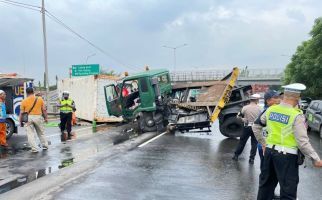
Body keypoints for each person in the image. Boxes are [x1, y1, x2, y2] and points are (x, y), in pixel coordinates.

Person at [252, 83, 322, 200]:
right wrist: (315, 159)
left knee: (265, 188)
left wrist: (263, 143)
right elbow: (302, 142)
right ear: (297, 98)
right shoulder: (296, 115)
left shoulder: (271, 110)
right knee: (288, 193)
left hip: (269, 153)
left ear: (284, 96)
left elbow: (256, 126)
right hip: (287, 157)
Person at [232, 93, 261, 164]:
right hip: (256, 128)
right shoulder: (260, 108)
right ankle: (252, 159)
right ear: (256, 100)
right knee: (254, 144)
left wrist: (243, 119)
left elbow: (238, 116)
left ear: (250, 100)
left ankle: (236, 155)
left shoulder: (245, 108)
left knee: (242, 142)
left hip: (247, 127)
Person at [256, 90, 281, 170]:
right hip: (266, 147)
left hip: (271, 147)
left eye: (279, 97)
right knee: (265, 171)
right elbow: (255, 128)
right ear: (268, 101)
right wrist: (263, 144)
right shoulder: (267, 112)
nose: (279, 100)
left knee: (268, 171)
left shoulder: (273, 111)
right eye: (276, 98)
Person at [20, 87, 48, 153]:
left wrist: (20, 121)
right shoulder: (40, 99)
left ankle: (34, 149)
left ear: (26, 93)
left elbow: (21, 113)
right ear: (33, 91)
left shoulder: (24, 101)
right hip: (38, 117)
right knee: (41, 132)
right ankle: (45, 146)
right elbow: (44, 110)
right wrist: (46, 118)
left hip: (28, 118)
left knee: (30, 134)